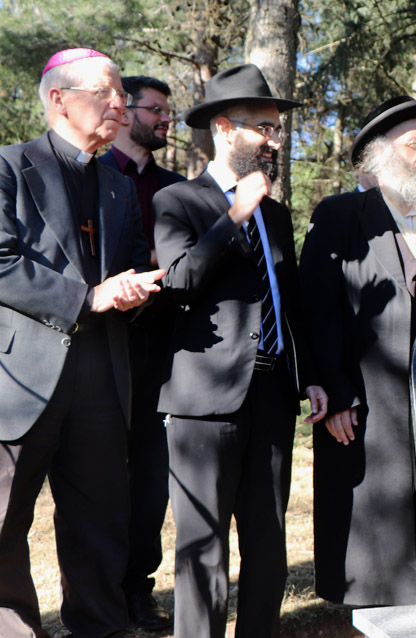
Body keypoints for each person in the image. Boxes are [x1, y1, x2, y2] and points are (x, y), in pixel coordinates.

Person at [153, 64, 328, 636]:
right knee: (203, 548)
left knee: (268, 544)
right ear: (225, 128)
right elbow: (178, 281)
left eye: (278, 129)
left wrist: (311, 378)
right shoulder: (177, 200)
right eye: (264, 128)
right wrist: (235, 216)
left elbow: (290, 302)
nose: (276, 140)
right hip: (204, 401)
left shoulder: (277, 214)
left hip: (273, 396)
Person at [0, 48, 163, 637]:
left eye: (121, 93)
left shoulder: (118, 185)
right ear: (58, 99)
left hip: (102, 378)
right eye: (104, 92)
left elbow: (123, 267)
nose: (119, 104)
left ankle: (101, 628)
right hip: (23, 378)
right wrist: (88, 297)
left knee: (99, 523)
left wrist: (134, 291)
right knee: (3, 523)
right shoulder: (8, 166)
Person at [299, 96, 416, 605]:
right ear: (380, 157)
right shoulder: (341, 215)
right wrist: (335, 394)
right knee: (377, 517)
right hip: (369, 398)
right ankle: (384, 611)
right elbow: (317, 308)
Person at [98, 74, 185, 631]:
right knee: (101, 472)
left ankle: (138, 588)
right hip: (103, 344)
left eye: (168, 113)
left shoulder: (179, 188)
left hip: (163, 348)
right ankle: (99, 589)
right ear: (125, 110)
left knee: (152, 475)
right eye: (157, 111)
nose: (165, 121)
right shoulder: (93, 176)